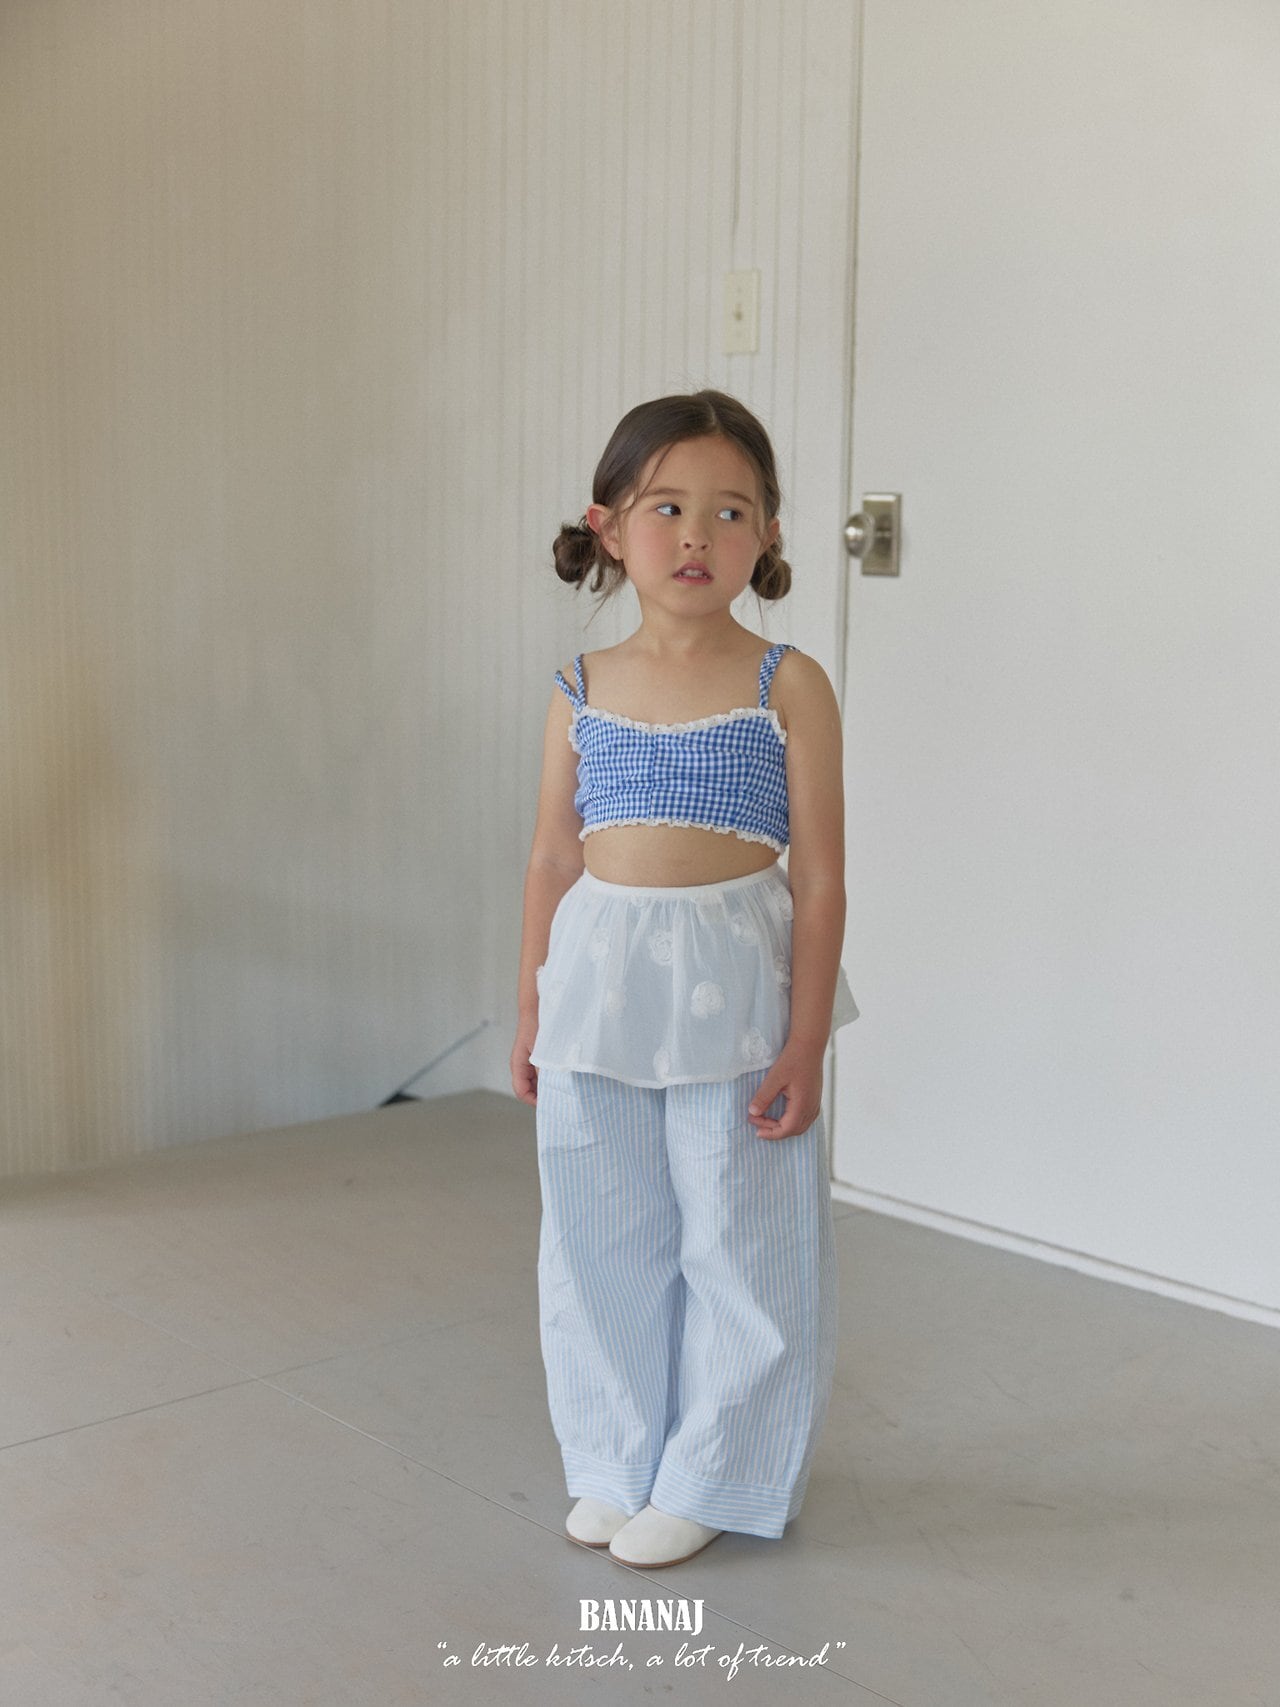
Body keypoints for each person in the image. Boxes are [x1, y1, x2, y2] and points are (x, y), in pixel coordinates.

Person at [510, 388, 859, 1570]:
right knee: (597, 1230)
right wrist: (532, 1007)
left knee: (741, 1236)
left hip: (735, 992)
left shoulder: (785, 683)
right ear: (608, 527)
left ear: (767, 534)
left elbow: (820, 876)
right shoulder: (579, 684)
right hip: (597, 992)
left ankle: (718, 1469)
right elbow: (552, 858)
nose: (697, 535)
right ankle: (614, 1459)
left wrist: (804, 1040)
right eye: (666, 508)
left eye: (729, 510)